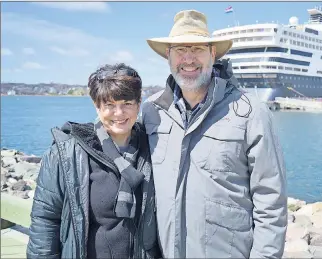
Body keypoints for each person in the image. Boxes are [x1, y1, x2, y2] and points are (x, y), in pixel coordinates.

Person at [141, 9, 287, 259]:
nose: (188, 59)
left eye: (197, 49)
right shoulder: (151, 111)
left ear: (212, 53)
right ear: (168, 55)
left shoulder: (252, 112)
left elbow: (270, 201)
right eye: (179, 49)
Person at [27, 63, 161, 259]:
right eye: (109, 105)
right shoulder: (66, 154)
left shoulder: (153, 148)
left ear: (139, 103)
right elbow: (45, 219)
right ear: (96, 106)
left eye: (127, 103)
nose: (119, 113)